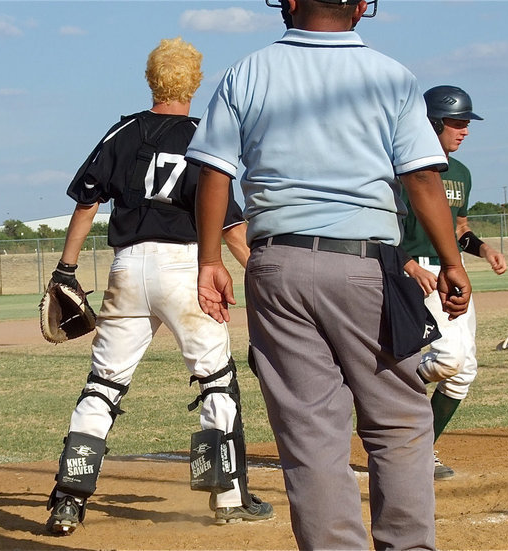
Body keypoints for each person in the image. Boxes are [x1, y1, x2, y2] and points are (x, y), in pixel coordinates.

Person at [186, 1, 471, 549]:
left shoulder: (246, 71)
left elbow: (214, 173)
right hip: (366, 266)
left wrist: (209, 261)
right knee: (398, 426)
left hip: (276, 267)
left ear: (289, 2)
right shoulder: (392, 76)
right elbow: (422, 179)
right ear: (364, 6)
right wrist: (452, 260)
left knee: (311, 438)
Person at [44, 37, 272, 536]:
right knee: (215, 378)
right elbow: (231, 227)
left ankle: (68, 498)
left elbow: (86, 202)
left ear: (152, 79)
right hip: (186, 266)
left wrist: (66, 268)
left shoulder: (123, 131)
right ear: (194, 82)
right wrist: (265, 276)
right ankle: (228, 496)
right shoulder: (203, 135)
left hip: (127, 268)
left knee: (104, 383)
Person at [401, 85, 507, 480]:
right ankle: (386, 384)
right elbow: (386, 231)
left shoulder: (460, 173)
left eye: (467, 124)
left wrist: (482, 250)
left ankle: (418, 452)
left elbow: (458, 227)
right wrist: (410, 265)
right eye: (457, 124)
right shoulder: (404, 169)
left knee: (464, 372)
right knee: (449, 359)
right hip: (420, 275)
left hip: (453, 270)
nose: (464, 131)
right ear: (432, 123)